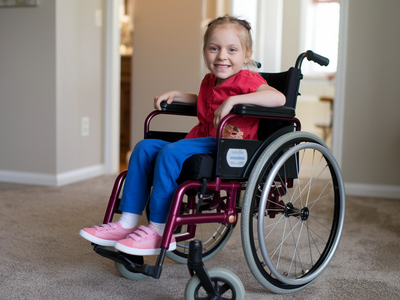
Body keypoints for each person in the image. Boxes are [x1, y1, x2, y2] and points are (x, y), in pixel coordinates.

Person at [79, 15, 285, 256]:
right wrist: (178, 95)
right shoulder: (209, 80)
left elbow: (278, 98)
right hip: (202, 140)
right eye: (213, 48)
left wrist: (235, 100)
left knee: (170, 152)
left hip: (230, 147)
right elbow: (205, 104)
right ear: (205, 51)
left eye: (232, 49)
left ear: (247, 54)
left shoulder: (248, 79)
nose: (221, 56)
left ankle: (158, 228)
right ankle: (126, 222)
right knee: (144, 148)